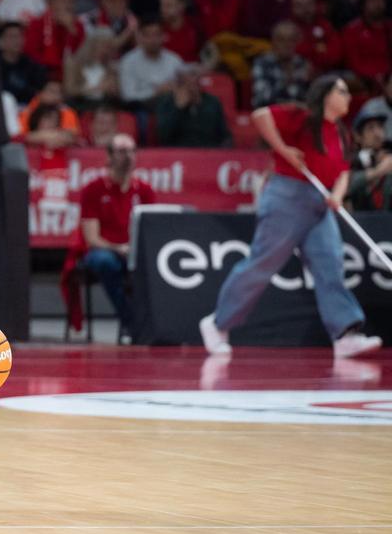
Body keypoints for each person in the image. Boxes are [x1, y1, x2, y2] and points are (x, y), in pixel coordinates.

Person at [199, 75, 383, 359]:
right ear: (325, 95)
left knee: (330, 264)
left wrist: (337, 194)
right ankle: (217, 323)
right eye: (342, 91)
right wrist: (283, 149)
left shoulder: (340, 131)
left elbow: (344, 171)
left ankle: (345, 334)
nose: (348, 97)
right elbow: (261, 116)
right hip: (288, 196)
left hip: (320, 203)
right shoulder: (302, 117)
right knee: (263, 263)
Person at [79, 132, 156, 340]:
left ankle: (156, 324)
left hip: (135, 252)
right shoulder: (93, 190)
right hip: (105, 251)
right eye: (122, 151)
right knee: (105, 262)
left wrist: (134, 250)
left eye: (132, 151)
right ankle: (131, 323)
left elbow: (151, 233)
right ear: (109, 156)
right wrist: (119, 248)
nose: (128, 156)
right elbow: (92, 239)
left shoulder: (145, 191)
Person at [155, 64, 229, 147]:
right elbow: (163, 136)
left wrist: (200, 106)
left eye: (194, 83)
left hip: (208, 151)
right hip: (178, 152)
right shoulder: (166, 102)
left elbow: (224, 135)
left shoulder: (212, 102)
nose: (191, 87)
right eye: (185, 83)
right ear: (177, 85)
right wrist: (178, 108)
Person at [251, 21, 312, 108]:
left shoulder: (302, 64)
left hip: (297, 115)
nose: (287, 45)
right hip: (270, 115)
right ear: (273, 41)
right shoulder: (263, 64)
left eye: (291, 40)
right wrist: (286, 82)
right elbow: (261, 98)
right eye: (281, 40)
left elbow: (310, 99)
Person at [340, 0, 390, 86]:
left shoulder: (389, 27)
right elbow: (353, 62)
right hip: (363, 81)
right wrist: (374, 76)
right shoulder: (352, 30)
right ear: (363, 3)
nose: (378, 3)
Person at [347, 112, 392, 212]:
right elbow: (346, 186)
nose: (377, 133)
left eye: (380, 127)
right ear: (357, 136)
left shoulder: (388, 155)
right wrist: (379, 171)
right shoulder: (350, 161)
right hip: (360, 221)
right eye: (370, 128)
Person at [0, 21, 48, 106]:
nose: (17, 40)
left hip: (27, 108)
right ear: (1, 41)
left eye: (20, 36)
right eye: (12, 36)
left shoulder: (33, 66)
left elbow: (38, 93)